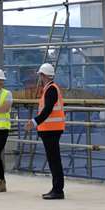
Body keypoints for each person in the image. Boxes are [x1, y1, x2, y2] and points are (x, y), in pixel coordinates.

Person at [33, 62, 65, 200]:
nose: (39, 77)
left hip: (51, 130)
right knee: (54, 160)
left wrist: (35, 121)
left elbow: (47, 110)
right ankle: (56, 188)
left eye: (40, 75)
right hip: (51, 129)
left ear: (44, 75)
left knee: (54, 160)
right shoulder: (50, 88)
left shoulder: (51, 89)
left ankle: (58, 190)